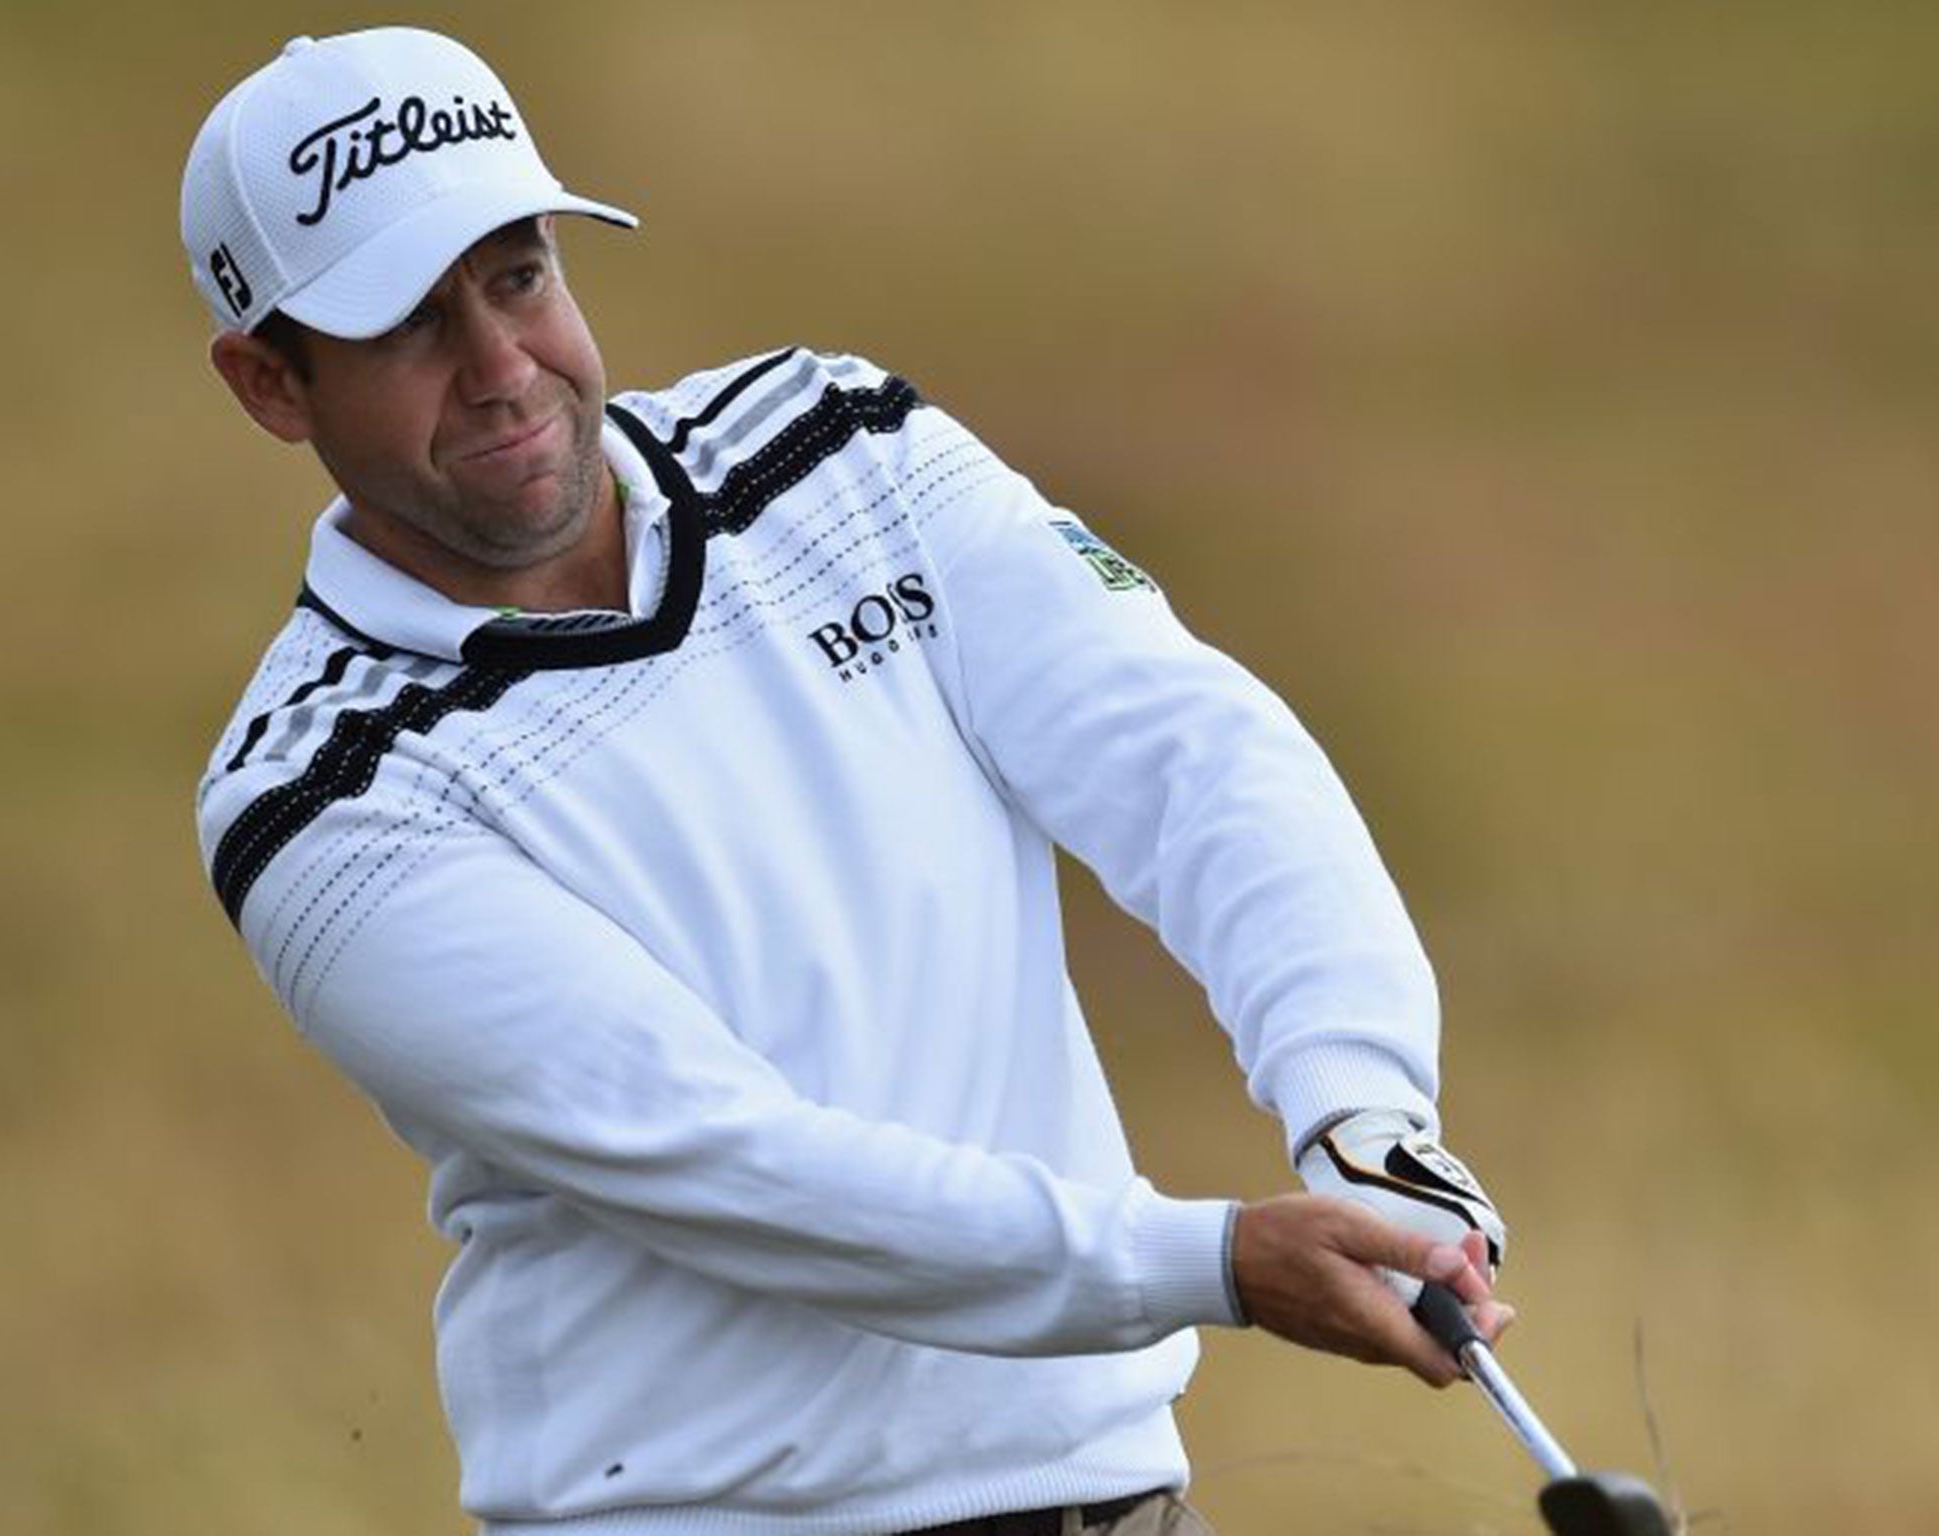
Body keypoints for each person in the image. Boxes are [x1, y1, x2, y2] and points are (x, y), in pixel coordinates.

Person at [184, 27, 1511, 1536]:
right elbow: (738, 1164)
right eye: (409, 327)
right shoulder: (320, 803)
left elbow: (1194, 756)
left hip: (1108, 1501)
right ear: (269, 384)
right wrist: (1212, 1263)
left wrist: (1363, 1104)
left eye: (518, 277)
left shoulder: (835, 448)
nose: (501, 372)